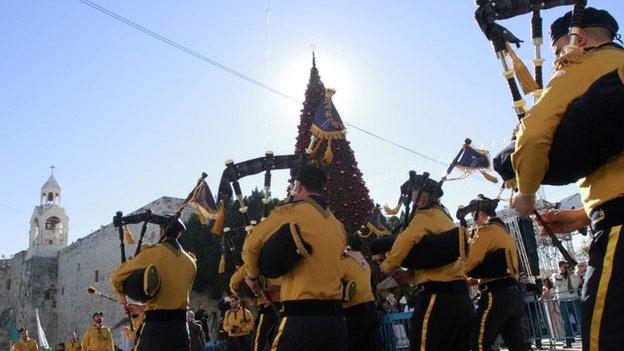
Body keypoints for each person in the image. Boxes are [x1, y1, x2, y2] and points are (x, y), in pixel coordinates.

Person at [508, 7, 624, 350]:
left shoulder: (582, 64)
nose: (559, 58)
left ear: (580, 40)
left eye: (558, 50)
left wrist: (526, 195)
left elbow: (531, 135)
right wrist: (582, 216)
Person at [242, 164, 348, 351]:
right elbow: (319, 271)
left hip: (300, 320)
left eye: (291, 185)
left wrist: (252, 278)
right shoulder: (338, 225)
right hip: (336, 322)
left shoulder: (289, 211)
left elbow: (250, 245)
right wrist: (283, 290)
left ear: (297, 186)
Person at [379, 173, 473, 351]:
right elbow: (437, 259)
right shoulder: (445, 219)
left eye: (412, 195)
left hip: (437, 299)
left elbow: (404, 241)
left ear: (421, 199)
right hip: (461, 298)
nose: (410, 201)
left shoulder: (423, 217)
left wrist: (386, 266)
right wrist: (411, 275)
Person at [110, 216, 197, 351]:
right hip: (180, 329)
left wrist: (122, 297)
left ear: (161, 231)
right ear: (179, 233)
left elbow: (116, 277)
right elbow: (171, 300)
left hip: (156, 329)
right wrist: (140, 308)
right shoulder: (191, 262)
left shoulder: (152, 253)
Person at [462, 195, 526, 351]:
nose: (474, 221)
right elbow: (498, 266)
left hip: (495, 296)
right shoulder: (504, 231)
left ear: (482, 215)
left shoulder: (486, 230)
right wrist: (474, 281)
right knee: (517, 345)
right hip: (512, 294)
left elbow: (468, 262)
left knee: (477, 343)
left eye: (474, 216)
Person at [340, 238, 381, 351]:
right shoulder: (366, 265)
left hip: (354, 312)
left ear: (349, 247)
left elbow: (332, 280)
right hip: (372, 310)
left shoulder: (344, 263)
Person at [229, 264, 281, 351]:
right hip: (287, 304)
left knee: (258, 344)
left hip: (268, 310)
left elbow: (234, 283)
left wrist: (240, 294)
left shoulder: (255, 261)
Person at [551, 261, 581, 348]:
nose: (563, 267)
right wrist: (561, 273)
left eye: (565, 266)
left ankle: (585, 337)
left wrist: (570, 274)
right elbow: (556, 284)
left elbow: (575, 286)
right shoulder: (555, 275)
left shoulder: (573, 275)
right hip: (563, 301)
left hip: (573, 299)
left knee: (579, 319)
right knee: (566, 322)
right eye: (561, 266)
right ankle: (569, 340)